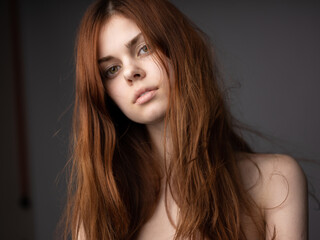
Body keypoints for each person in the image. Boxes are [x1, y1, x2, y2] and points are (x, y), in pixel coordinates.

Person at [64, 0, 308, 239]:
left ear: (179, 47)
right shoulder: (96, 213)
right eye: (111, 70)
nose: (130, 72)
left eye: (144, 48)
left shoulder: (276, 181)